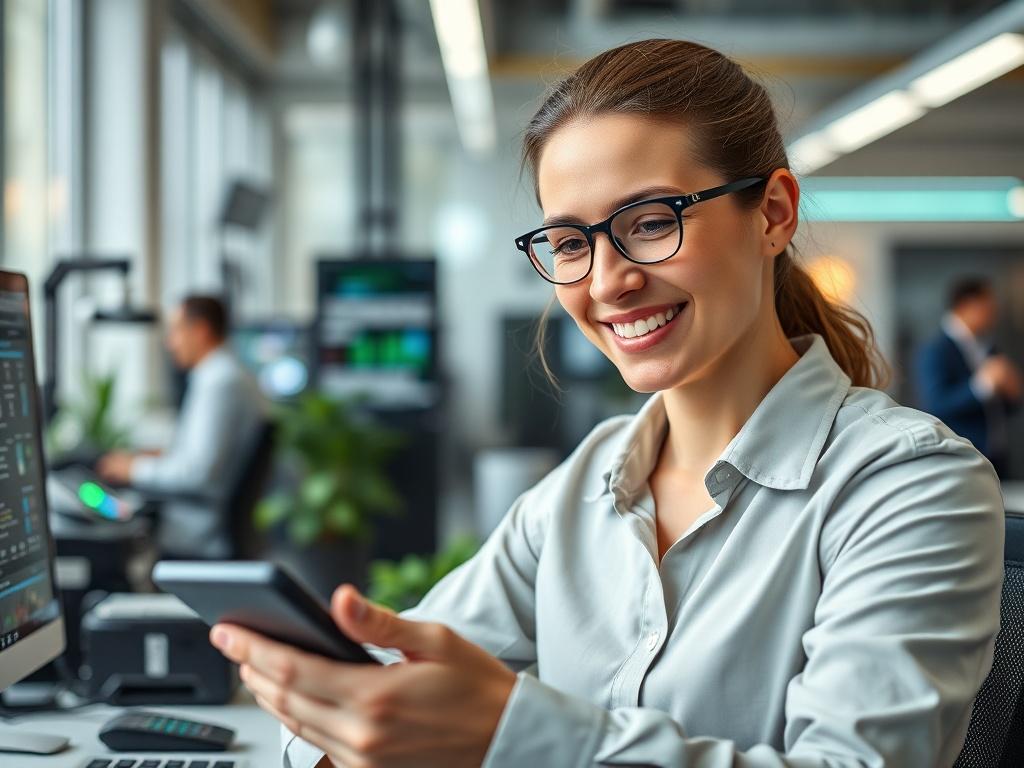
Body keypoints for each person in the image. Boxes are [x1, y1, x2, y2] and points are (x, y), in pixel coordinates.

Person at [210, 39, 1004, 767]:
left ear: (773, 214)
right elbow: (386, 669)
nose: (604, 280)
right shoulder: (583, 487)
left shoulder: (911, 485)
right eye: (568, 242)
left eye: (652, 221)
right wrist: (331, 711)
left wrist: (508, 734)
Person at [98, 294, 266, 558]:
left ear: (200, 331)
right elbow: (203, 454)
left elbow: (198, 472)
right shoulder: (227, 373)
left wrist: (133, 470)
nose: (170, 343)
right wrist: (157, 456)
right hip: (209, 521)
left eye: (176, 331)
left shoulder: (219, 381)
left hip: (200, 530)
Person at [915, 277, 1022, 478]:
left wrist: (1013, 392)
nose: (994, 314)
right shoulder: (935, 349)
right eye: (988, 307)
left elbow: (999, 407)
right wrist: (984, 384)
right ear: (965, 305)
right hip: (960, 457)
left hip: (997, 455)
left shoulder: (988, 346)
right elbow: (936, 404)